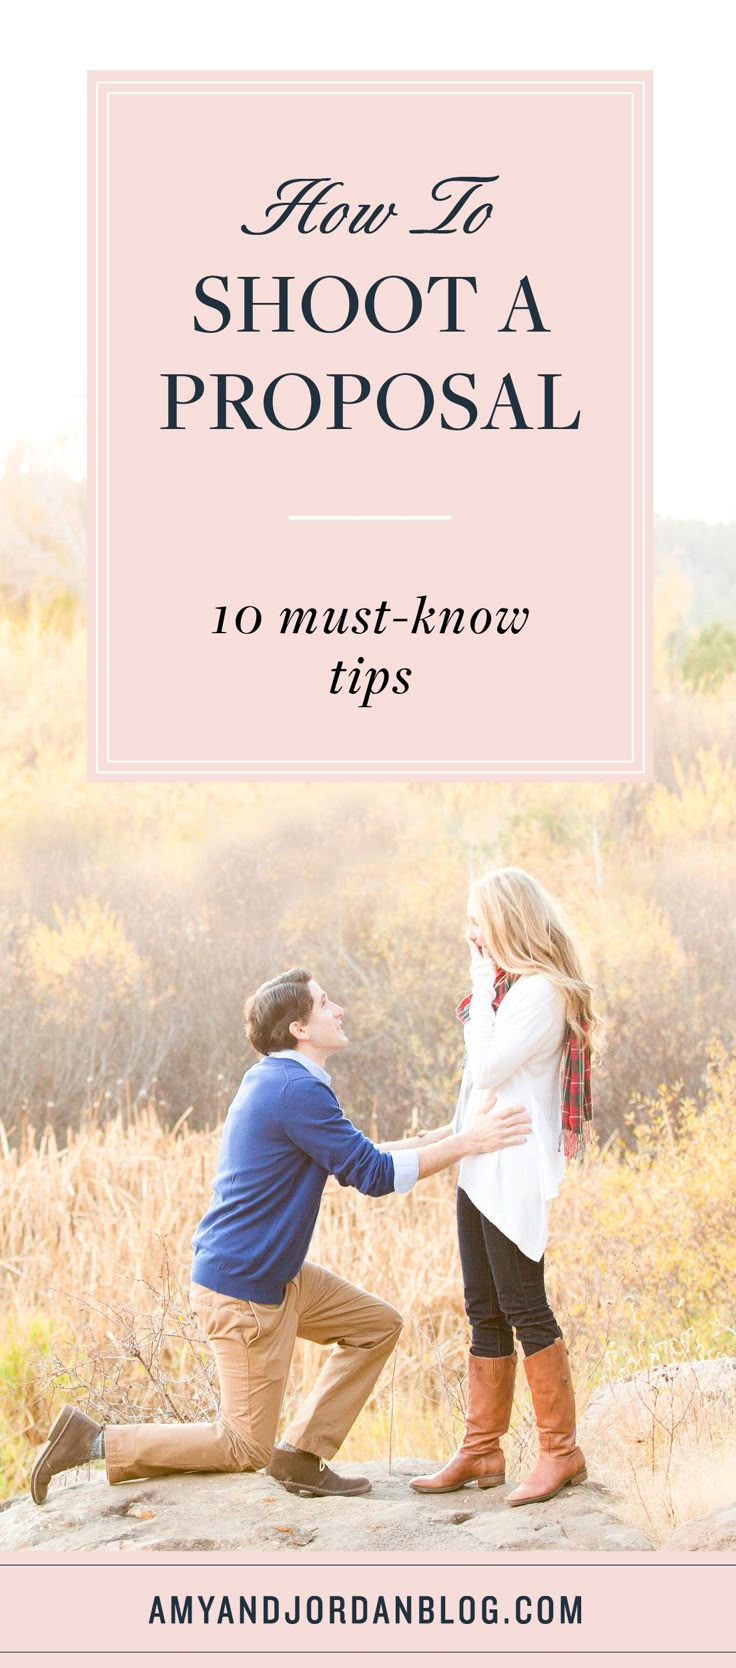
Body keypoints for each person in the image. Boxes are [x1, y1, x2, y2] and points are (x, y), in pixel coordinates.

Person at [31, 967, 530, 1505]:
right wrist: (468, 1143)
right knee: (243, 1445)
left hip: (274, 1275)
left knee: (375, 1325)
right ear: (299, 1028)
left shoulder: (279, 1080)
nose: (338, 1010)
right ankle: (93, 1439)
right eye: (325, 1003)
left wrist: (432, 1139)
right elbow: (374, 1176)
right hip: (245, 1290)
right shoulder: (295, 1089)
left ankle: (301, 1456)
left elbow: (353, 1158)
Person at [411, 867, 595, 1506]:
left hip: (512, 1165)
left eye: (476, 921)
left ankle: (560, 1452)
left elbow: (490, 1065)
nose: (469, 933)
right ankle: (482, 1449)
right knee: (481, 1308)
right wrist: (454, 1133)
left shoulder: (539, 991)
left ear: (505, 923)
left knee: (524, 1306)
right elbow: (480, 1083)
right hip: (479, 1161)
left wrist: (479, 978)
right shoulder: (507, 990)